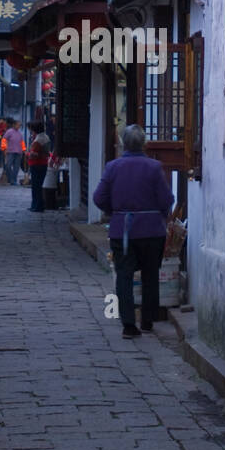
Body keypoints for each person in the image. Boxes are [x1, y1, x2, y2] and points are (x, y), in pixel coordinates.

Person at [93, 124, 174, 339]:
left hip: (123, 230)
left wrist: (115, 213)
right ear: (144, 144)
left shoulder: (113, 167)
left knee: (124, 276)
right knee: (150, 275)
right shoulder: (154, 167)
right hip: (152, 231)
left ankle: (128, 324)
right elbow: (167, 200)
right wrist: (159, 215)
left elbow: (99, 197)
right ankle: (147, 320)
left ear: (122, 144)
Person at [26, 119, 51, 212]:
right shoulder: (46, 137)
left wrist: (27, 154)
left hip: (36, 164)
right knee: (39, 185)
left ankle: (37, 206)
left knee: (36, 186)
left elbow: (34, 154)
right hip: (43, 163)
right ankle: (37, 205)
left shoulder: (38, 140)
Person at [3, 119, 25, 185]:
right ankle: (10, 179)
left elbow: (22, 143)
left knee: (16, 167)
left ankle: (14, 180)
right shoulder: (9, 132)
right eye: (18, 125)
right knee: (8, 166)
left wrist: (24, 150)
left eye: (20, 125)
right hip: (10, 151)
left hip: (18, 152)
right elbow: (4, 140)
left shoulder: (20, 133)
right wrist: (4, 149)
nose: (19, 126)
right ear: (14, 125)